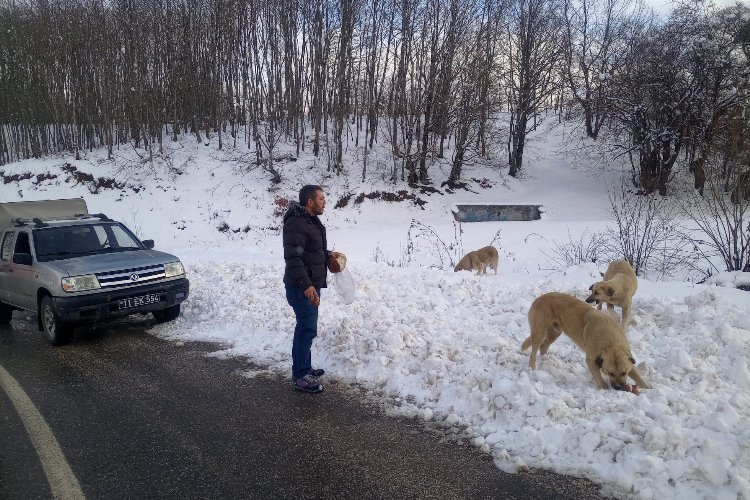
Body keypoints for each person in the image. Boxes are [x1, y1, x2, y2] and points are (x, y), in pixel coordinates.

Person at [282, 185, 341, 393]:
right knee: (306, 329)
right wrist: (307, 285)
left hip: (310, 285)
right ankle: (300, 375)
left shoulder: (309, 221)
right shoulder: (297, 222)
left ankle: (304, 368)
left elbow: (311, 250)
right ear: (310, 201)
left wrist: (328, 254)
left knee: (307, 327)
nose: (324, 202)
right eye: (322, 198)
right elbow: (293, 257)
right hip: (301, 287)